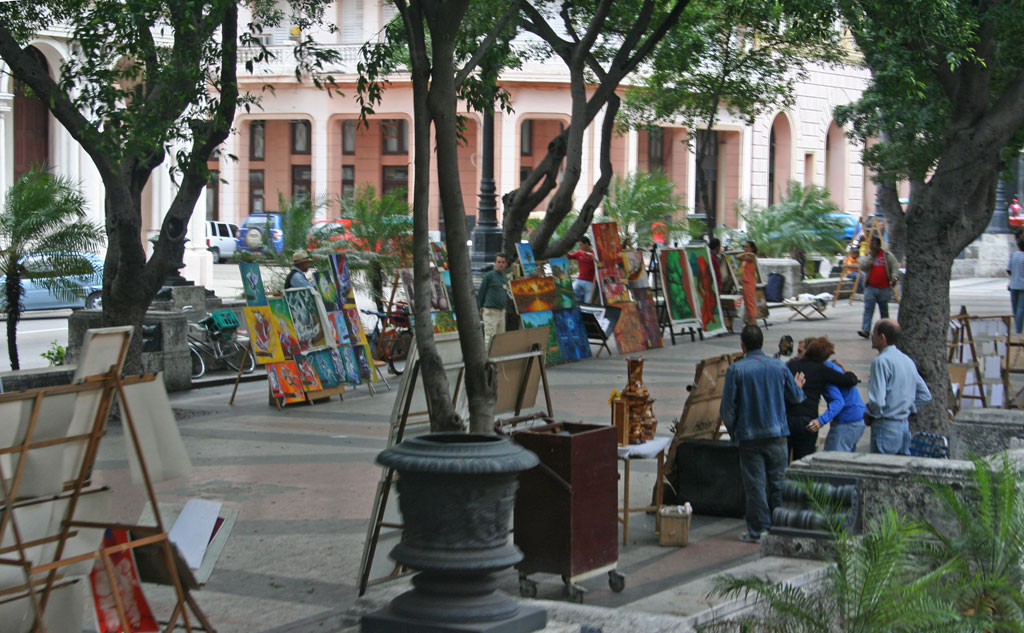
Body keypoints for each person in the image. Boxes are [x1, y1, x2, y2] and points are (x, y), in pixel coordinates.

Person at [720, 325, 806, 543]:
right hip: (777, 433)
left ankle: (758, 530)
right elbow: (796, 398)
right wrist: (797, 386)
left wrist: (733, 432)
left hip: (749, 436)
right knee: (778, 482)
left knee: (755, 485)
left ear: (743, 344)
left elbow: (727, 409)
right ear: (762, 342)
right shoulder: (778, 366)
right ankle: (780, 526)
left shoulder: (736, 370)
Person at [785, 336, 859, 461]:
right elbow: (850, 380)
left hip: (787, 418)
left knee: (783, 462)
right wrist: (843, 366)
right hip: (807, 421)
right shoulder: (822, 370)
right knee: (803, 462)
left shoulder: (791, 365)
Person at [865, 319, 932, 455]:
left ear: (882, 337)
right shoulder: (907, 360)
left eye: (874, 333)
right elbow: (925, 395)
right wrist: (907, 407)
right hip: (903, 427)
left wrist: (869, 413)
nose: (872, 337)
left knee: (880, 472)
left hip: (885, 426)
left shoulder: (881, 362)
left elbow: (877, 401)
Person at [803, 338, 867, 452]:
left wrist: (820, 421)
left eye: (800, 352)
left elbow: (838, 402)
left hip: (847, 423)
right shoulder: (831, 367)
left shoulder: (824, 374)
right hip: (857, 420)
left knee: (831, 461)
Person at [857, 237, 899, 338]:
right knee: (868, 309)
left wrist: (894, 277)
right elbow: (863, 267)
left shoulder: (888, 256)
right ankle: (866, 330)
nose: (873, 246)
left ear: (879, 245)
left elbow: (894, 267)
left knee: (884, 310)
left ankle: (886, 331)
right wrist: (871, 256)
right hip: (870, 288)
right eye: (871, 244)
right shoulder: (868, 255)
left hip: (884, 288)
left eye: (875, 244)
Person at [477, 253, 509, 350]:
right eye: (499, 262)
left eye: (503, 262)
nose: (501, 264)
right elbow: (481, 291)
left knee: (500, 338)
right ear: (495, 263)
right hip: (490, 311)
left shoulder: (505, 278)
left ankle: (497, 361)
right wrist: (480, 306)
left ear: (506, 264)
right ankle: (487, 361)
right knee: (490, 337)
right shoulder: (489, 276)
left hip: (501, 312)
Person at [735, 241, 759, 325]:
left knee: (750, 303)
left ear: (752, 248)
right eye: (744, 247)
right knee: (747, 304)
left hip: (749, 282)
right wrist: (746, 252)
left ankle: (753, 323)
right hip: (745, 282)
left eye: (747, 247)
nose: (745, 249)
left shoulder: (751, 257)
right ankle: (750, 322)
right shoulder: (748, 256)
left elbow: (737, 256)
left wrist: (747, 252)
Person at [567, 237, 597, 304]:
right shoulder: (579, 253)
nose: (580, 247)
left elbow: (600, 264)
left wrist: (593, 257)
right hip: (579, 280)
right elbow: (569, 256)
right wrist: (566, 249)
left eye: (581, 245)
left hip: (591, 282)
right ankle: (581, 300)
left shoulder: (595, 254)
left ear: (586, 244)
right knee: (571, 292)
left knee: (588, 302)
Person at [1008, 235, 1024, 334]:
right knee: (1021, 308)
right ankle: (1018, 330)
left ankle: (1016, 325)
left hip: (1013, 285)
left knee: (1014, 308)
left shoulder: (1014, 255)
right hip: (1023, 287)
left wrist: (1013, 277)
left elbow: (1009, 269)